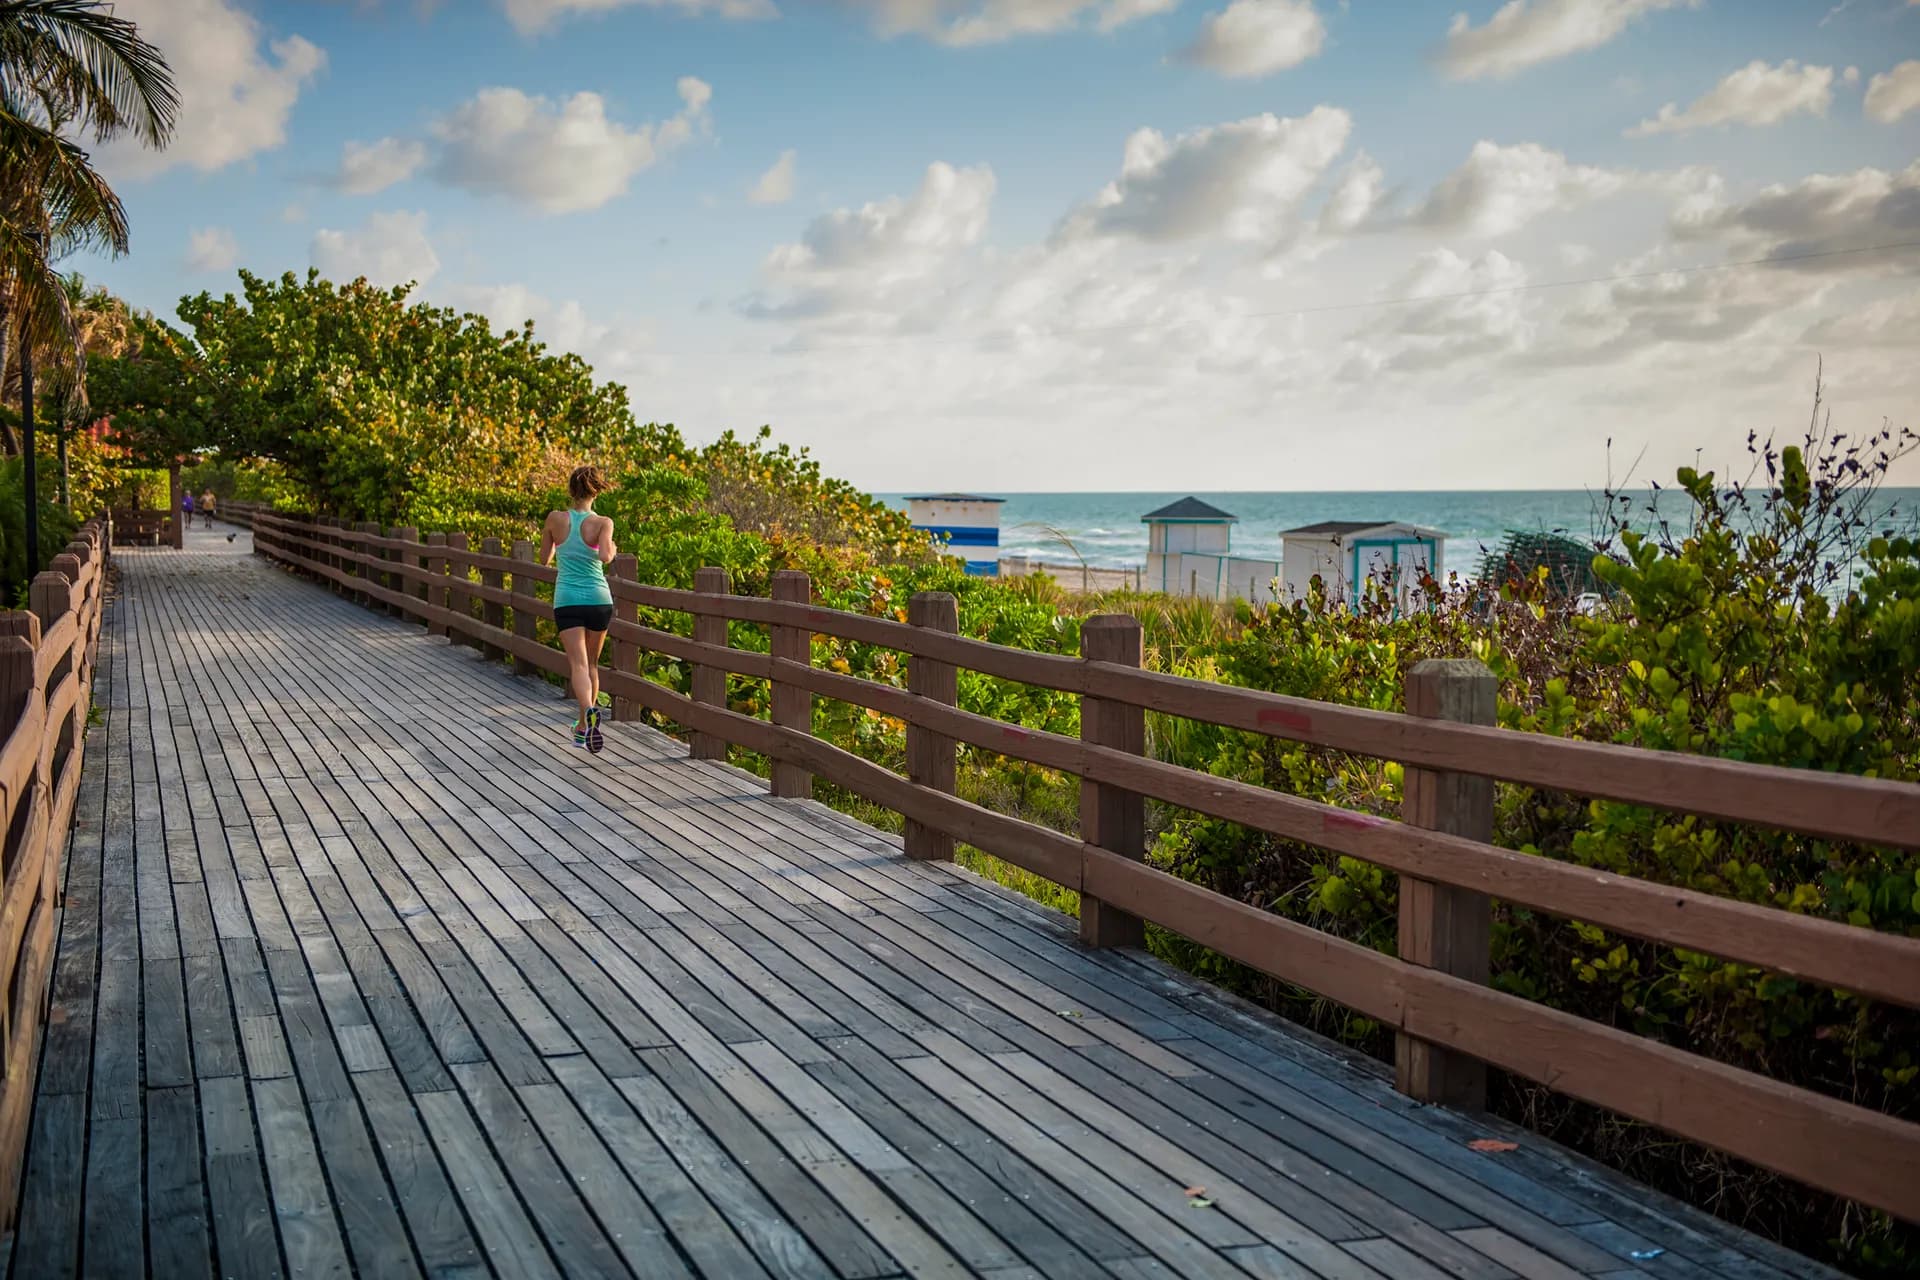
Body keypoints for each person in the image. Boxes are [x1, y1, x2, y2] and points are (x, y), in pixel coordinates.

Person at [540, 465, 616, 752]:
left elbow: (545, 559)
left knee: (579, 665)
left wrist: (557, 545)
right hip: (598, 600)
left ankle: (587, 713)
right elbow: (607, 556)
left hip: (568, 599)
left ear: (571, 491)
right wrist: (614, 548)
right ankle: (584, 725)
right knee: (593, 665)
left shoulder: (555, 519)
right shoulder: (603, 523)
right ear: (597, 490)